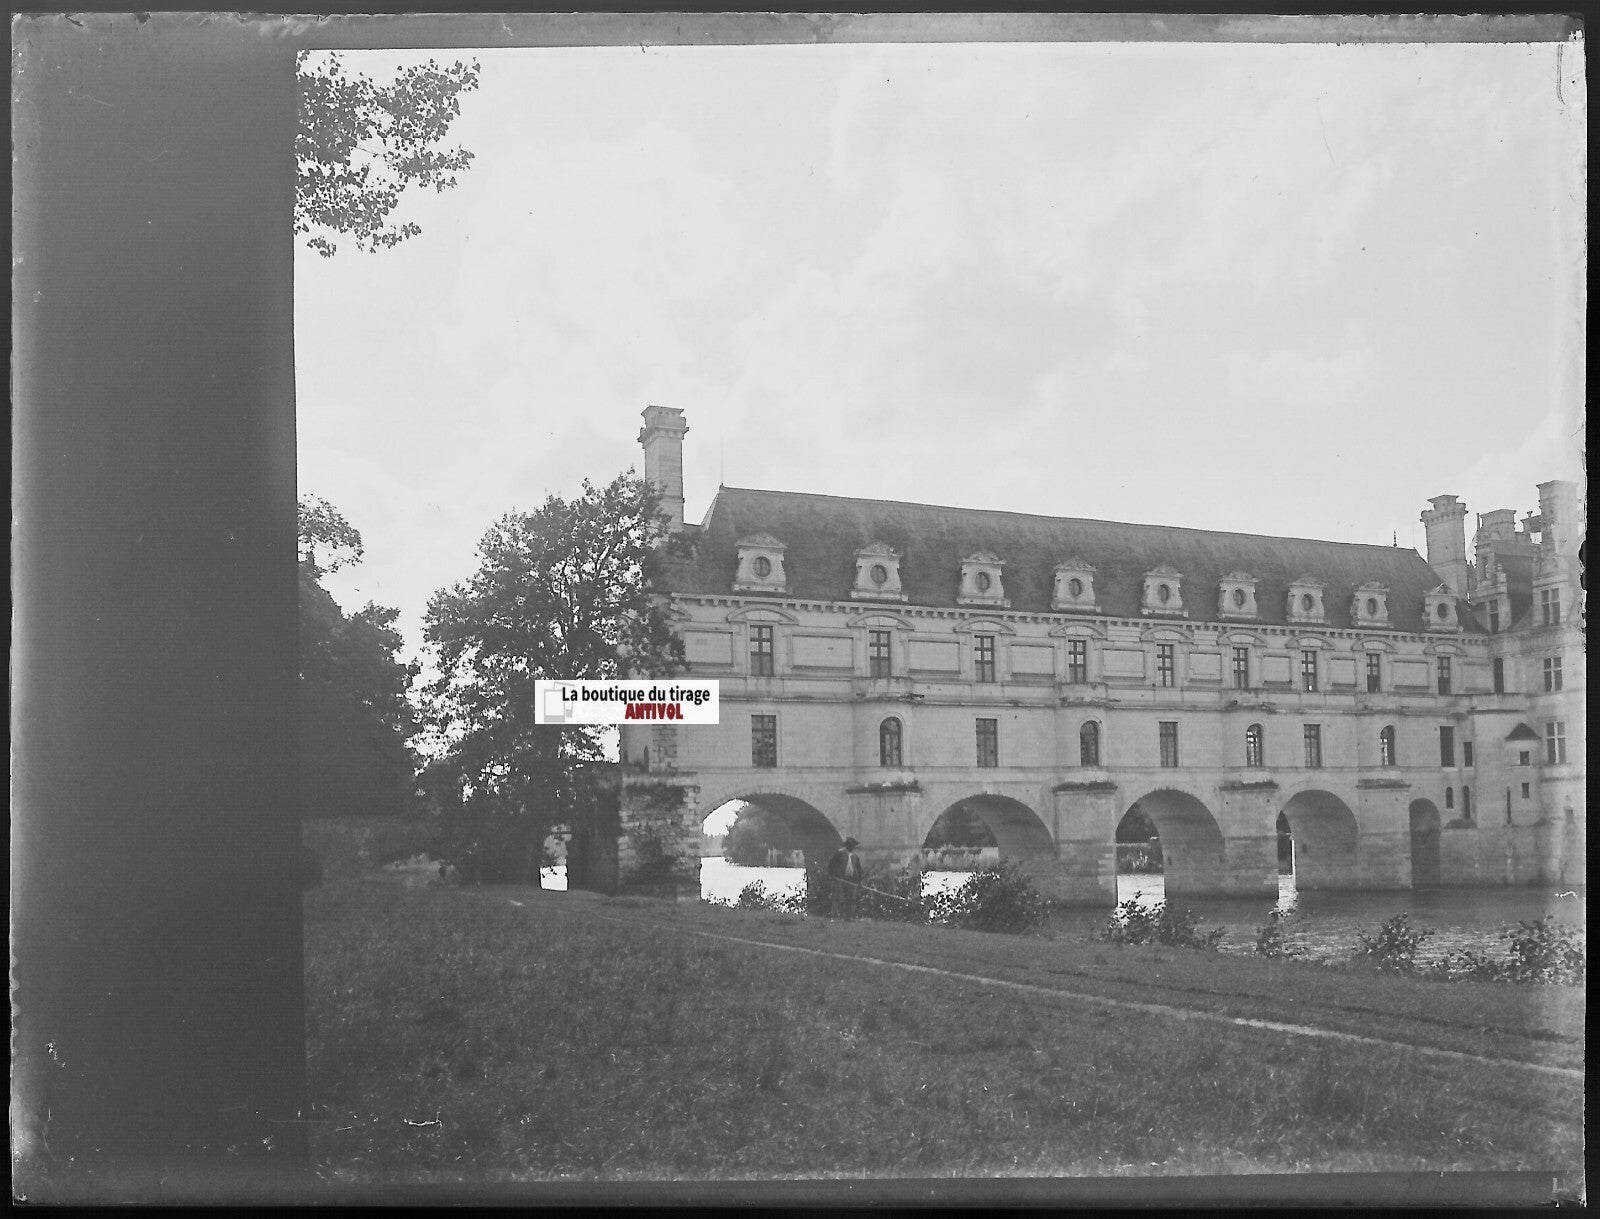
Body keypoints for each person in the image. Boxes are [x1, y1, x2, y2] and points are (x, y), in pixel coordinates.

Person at [827, 837, 863, 919]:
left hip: (851, 880)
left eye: (854, 845)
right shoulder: (840, 854)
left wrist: (859, 881)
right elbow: (831, 864)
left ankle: (849, 917)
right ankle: (835, 916)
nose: (853, 846)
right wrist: (832, 875)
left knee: (851, 898)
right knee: (838, 897)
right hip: (840, 879)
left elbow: (859, 869)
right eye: (851, 845)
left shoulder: (855, 857)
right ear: (847, 845)